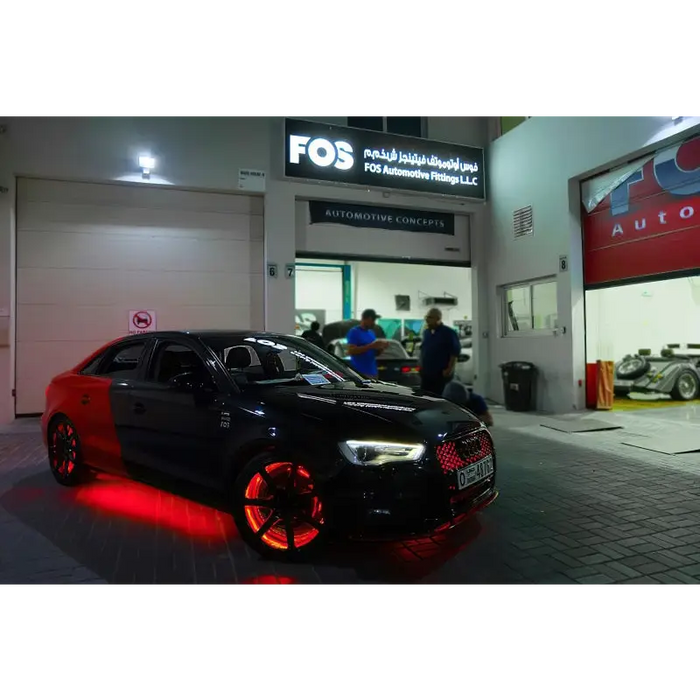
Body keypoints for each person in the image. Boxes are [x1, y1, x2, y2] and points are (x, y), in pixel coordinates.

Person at [420, 307, 461, 396]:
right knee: (426, 396)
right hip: (427, 373)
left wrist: (449, 369)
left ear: (438, 319)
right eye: (426, 317)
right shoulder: (426, 333)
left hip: (441, 374)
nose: (427, 319)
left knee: (439, 397)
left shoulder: (448, 333)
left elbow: (454, 352)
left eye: (430, 317)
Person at [346, 309, 388, 379]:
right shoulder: (354, 332)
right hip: (360, 372)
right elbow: (351, 351)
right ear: (365, 319)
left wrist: (381, 348)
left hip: (372, 371)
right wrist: (371, 346)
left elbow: (374, 353)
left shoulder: (371, 333)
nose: (373, 323)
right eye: (372, 320)